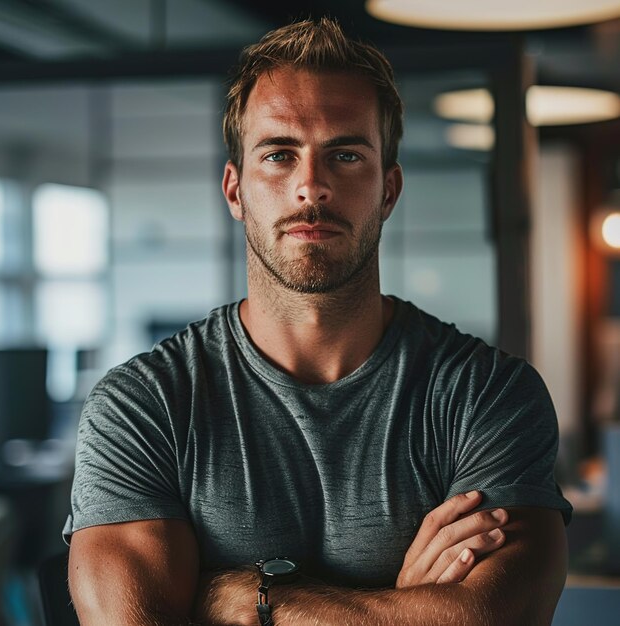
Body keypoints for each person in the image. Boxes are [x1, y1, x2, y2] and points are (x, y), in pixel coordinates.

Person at [64, 17, 572, 626]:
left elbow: (494, 618)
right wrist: (407, 609)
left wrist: (249, 600)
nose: (311, 186)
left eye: (346, 155)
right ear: (234, 190)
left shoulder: (486, 395)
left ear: (388, 190)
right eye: (279, 154)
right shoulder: (143, 406)